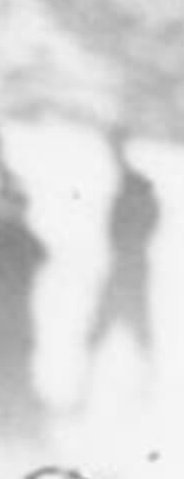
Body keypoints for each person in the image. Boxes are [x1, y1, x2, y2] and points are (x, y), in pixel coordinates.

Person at [83, 126, 161, 391]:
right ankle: (144, 384)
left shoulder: (135, 187)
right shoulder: (134, 186)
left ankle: (144, 385)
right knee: (126, 325)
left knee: (116, 323)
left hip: (128, 268)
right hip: (127, 266)